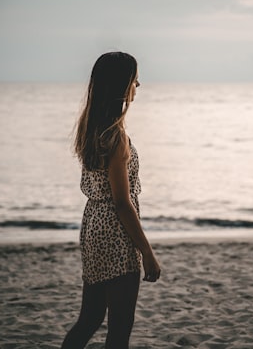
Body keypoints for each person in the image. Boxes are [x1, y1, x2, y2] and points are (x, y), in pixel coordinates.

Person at [61, 52, 161, 349]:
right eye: (134, 78)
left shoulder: (91, 129)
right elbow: (121, 202)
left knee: (89, 319)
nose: (138, 84)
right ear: (121, 85)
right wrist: (147, 252)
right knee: (119, 328)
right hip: (116, 233)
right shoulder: (116, 137)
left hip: (92, 227)